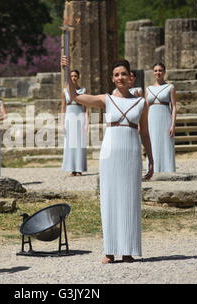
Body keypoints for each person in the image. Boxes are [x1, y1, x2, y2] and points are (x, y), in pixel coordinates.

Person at [61, 55, 154, 264]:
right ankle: (110, 251)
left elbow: (145, 133)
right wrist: (67, 72)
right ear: (112, 78)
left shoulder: (141, 103)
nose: (120, 78)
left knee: (129, 199)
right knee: (110, 199)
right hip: (110, 153)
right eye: (116, 75)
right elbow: (75, 96)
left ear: (131, 77)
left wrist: (151, 159)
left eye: (123, 74)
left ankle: (128, 250)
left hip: (131, 152)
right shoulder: (106, 99)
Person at [145, 63, 176, 172]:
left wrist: (173, 124)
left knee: (166, 143)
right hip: (151, 119)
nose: (158, 72)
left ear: (164, 72)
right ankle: (153, 169)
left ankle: (168, 169)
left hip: (165, 118)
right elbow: (146, 107)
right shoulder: (148, 89)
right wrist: (144, 123)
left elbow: (174, 107)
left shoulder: (170, 87)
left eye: (160, 70)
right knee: (152, 143)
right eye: (156, 70)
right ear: (153, 73)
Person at [61, 69, 88, 176]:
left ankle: (79, 168)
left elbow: (86, 108)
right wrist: (61, 123)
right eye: (71, 76)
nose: (73, 78)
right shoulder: (65, 91)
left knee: (80, 143)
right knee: (70, 143)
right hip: (69, 117)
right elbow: (62, 107)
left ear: (78, 77)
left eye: (75, 76)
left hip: (80, 116)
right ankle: (72, 168)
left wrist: (87, 122)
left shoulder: (83, 91)